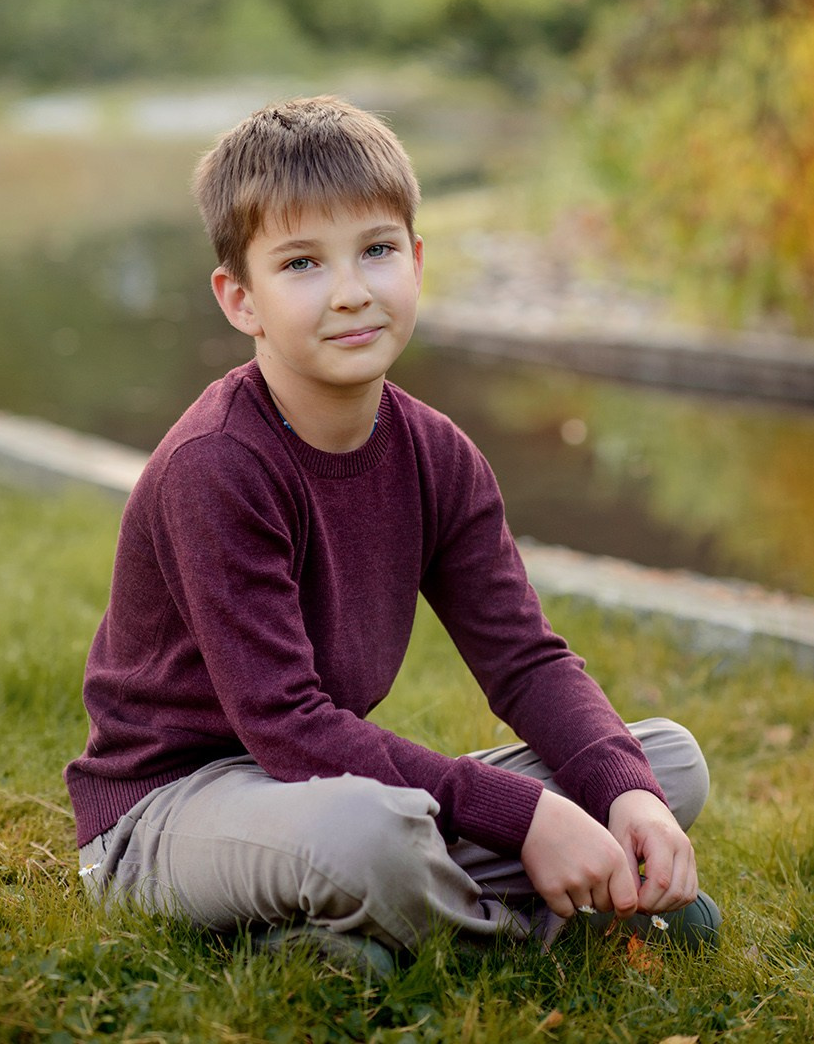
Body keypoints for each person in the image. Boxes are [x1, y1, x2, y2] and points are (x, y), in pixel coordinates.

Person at [65, 96, 719, 972]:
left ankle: (345, 932)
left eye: (376, 250)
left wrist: (624, 793)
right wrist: (524, 816)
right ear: (240, 299)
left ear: (415, 260)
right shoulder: (216, 465)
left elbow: (526, 661)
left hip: (322, 786)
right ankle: (542, 934)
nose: (351, 292)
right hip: (168, 813)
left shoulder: (437, 454)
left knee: (664, 764)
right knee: (371, 833)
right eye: (302, 263)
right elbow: (287, 726)